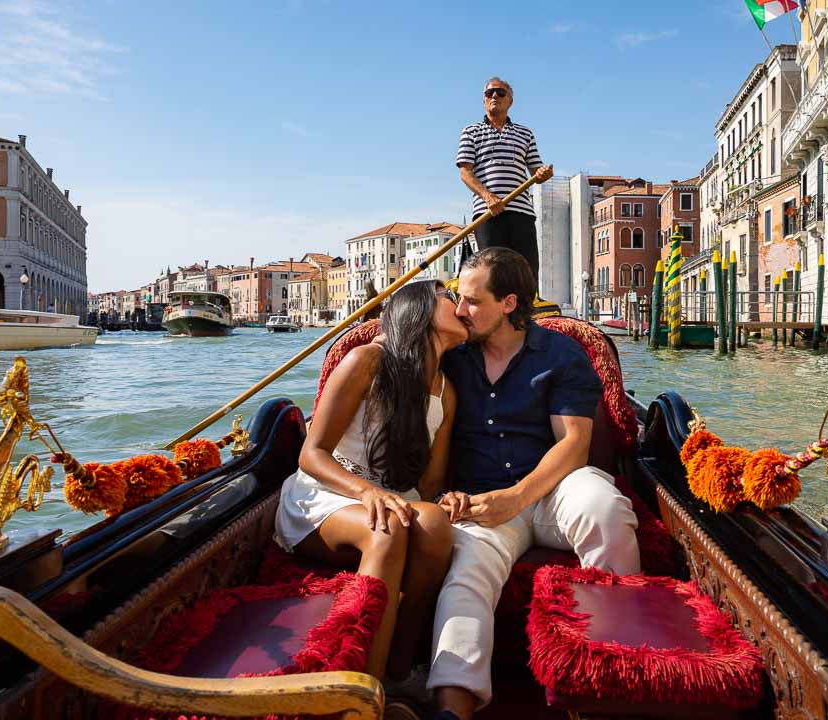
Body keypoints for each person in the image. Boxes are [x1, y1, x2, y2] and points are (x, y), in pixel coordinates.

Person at [427, 248, 640, 719]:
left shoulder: (561, 354)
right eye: (458, 300)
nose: (460, 311)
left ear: (508, 302)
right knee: (467, 572)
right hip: (482, 499)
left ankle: (618, 676)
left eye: (471, 301)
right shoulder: (454, 354)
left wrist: (517, 498)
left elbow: (574, 446)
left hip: (552, 492)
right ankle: (452, 705)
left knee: (603, 505)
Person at [274, 280, 466, 692]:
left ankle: (398, 668)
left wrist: (446, 500)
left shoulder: (446, 393)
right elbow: (313, 453)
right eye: (449, 297)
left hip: (392, 498)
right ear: (419, 310)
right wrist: (366, 491)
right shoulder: (367, 361)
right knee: (388, 526)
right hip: (327, 496)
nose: (459, 304)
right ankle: (362, 690)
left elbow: (428, 485)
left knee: (434, 527)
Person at [456, 77, 554, 285]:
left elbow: (536, 170)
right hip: (487, 214)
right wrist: (487, 196)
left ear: (510, 101)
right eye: (489, 93)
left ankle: (527, 315)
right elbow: (465, 172)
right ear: (483, 100)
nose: (494, 96)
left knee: (526, 271)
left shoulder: (525, 133)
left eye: (500, 93)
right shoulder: (471, 131)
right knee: (492, 272)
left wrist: (543, 174)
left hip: (522, 213)